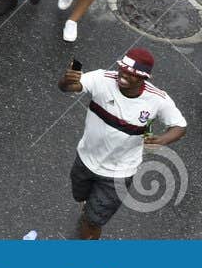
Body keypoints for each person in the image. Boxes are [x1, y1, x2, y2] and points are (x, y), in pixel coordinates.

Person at [58, 48, 187, 239]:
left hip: (118, 173)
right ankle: (89, 206)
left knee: (93, 221)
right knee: (80, 197)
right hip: (85, 159)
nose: (123, 75)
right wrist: (66, 81)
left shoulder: (158, 100)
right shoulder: (102, 78)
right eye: (122, 69)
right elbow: (68, 87)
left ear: (144, 78)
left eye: (132, 74)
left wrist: (162, 140)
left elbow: (180, 126)